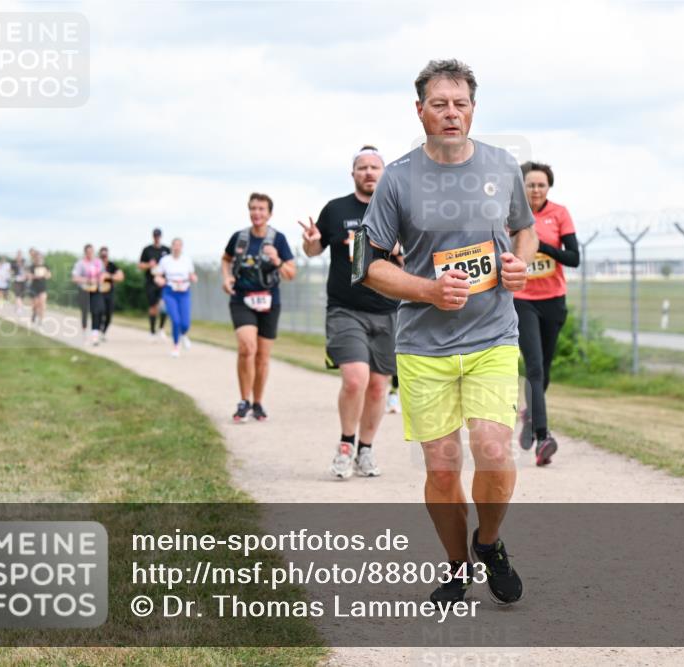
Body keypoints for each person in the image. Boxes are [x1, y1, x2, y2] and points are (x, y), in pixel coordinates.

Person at [357, 60, 538, 606]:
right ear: (421, 111)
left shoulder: (502, 166)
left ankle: (489, 542)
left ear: (473, 109)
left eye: (460, 103)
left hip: (492, 338)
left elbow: (524, 232)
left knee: (493, 449)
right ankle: (458, 568)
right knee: (441, 469)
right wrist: (428, 290)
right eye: (440, 104)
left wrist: (519, 266)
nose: (451, 113)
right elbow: (369, 267)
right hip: (424, 345)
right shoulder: (398, 178)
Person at [299, 145, 398, 480]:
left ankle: (365, 450)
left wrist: (400, 249)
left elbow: (414, 256)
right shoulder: (336, 209)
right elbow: (314, 249)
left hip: (388, 310)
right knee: (356, 379)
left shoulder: (397, 210)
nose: (368, 172)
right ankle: (345, 445)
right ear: (353, 174)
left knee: (378, 387)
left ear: (384, 173)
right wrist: (311, 241)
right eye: (362, 167)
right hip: (346, 309)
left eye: (374, 167)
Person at [513, 161, 580, 466]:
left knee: (545, 373)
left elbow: (573, 258)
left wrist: (544, 247)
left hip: (553, 300)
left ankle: (529, 412)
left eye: (541, 185)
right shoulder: (511, 215)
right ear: (521, 186)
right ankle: (544, 438)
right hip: (522, 299)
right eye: (530, 184)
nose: (536, 190)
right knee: (535, 368)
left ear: (548, 187)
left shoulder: (559, 214)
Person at [221, 193, 297, 422]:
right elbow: (225, 259)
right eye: (253, 208)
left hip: (269, 302)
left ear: (269, 214)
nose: (257, 213)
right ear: (249, 211)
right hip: (241, 299)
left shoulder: (278, 240)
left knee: (262, 356)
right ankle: (243, 401)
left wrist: (276, 260)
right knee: (247, 347)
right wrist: (226, 278)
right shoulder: (239, 237)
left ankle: (257, 402)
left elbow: (291, 273)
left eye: (262, 209)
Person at [155, 238, 197, 358]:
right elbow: (157, 275)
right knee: (175, 319)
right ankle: (176, 346)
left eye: (179, 245)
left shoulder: (187, 260)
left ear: (182, 247)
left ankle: (184, 335)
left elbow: (191, 274)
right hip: (170, 291)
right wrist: (159, 280)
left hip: (184, 291)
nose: (177, 247)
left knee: (185, 322)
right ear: (171, 246)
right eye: (175, 245)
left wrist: (193, 278)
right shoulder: (165, 260)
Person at [138, 228, 170, 341]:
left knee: (163, 305)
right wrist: (148, 265)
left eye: (158, 236)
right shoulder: (147, 250)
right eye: (155, 236)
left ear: (161, 236)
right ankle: (152, 331)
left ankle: (161, 328)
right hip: (150, 282)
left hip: (163, 282)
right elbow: (140, 265)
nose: (157, 238)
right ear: (153, 236)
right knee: (153, 307)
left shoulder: (166, 250)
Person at [71, 244, 105, 345]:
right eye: (88, 252)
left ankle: (95, 337)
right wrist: (87, 280)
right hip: (84, 290)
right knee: (85, 312)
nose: (90, 254)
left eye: (91, 252)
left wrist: (100, 279)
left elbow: (103, 274)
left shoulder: (98, 262)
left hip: (96, 290)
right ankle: (84, 335)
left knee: (97, 311)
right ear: (85, 252)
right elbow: (74, 278)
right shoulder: (80, 263)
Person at [98, 246, 124, 341]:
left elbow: (120, 276)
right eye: (102, 255)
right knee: (99, 311)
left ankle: (103, 332)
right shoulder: (96, 265)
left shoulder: (112, 265)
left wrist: (108, 276)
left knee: (109, 314)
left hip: (109, 292)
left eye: (105, 255)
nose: (104, 257)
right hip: (98, 292)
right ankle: (97, 330)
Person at [29, 251, 51, 326]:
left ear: (42, 258)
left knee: (42, 303)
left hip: (42, 287)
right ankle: (34, 313)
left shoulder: (45, 266)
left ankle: (41, 319)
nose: (38, 259)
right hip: (34, 287)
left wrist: (46, 275)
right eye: (37, 257)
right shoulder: (32, 267)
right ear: (35, 258)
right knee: (35, 304)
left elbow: (49, 275)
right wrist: (37, 276)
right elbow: (29, 276)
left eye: (40, 257)